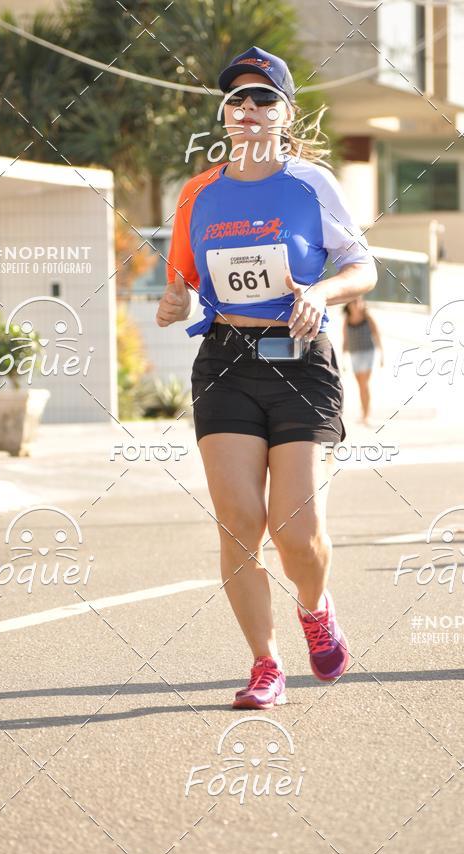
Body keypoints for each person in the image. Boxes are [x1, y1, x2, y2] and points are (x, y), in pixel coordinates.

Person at [157, 46, 377, 709]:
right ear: (226, 114)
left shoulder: (312, 185)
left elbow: (362, 267)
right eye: (237, 99)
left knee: (295, 534)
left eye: (263, 98)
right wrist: (172, 301)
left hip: (300, 362)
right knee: (238, 524)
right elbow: (181, 279)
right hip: (224, 362)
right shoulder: (198, 192)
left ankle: (315, 606)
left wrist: (322, 293)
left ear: (285, 114)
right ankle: (265, 663)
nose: (248, 107)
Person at [342, 296, 383, 426]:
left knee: (364, 384)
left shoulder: (367, 317)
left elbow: (377, 335)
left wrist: (382, 355)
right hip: (354, 354)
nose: (356, 304)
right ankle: (364, 414)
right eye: (353, 302)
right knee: (360, 386)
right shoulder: (347, 319)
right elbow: (345, 340)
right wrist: (343, 359)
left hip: (368, 353)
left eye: (358, 301)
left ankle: (366, 415)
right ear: (348, 305)